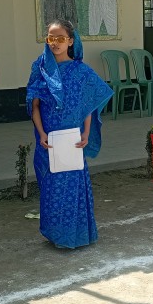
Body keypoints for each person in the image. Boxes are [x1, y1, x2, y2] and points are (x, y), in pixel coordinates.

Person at [27, 19, 113, 248]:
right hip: (49, 140)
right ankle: (56, 235)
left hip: (72, 140)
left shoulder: (81, 71)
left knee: (73, 188)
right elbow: (34, 106)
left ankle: (77, 235)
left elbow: (88, 105)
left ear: (70, 41)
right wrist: (41, 133)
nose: (55, 43)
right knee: (51, 188)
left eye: (60, 38)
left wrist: (86, 132)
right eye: (51, 38)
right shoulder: (40, 68)